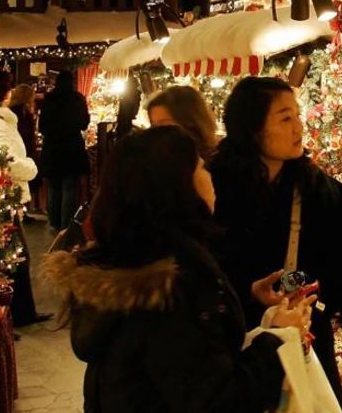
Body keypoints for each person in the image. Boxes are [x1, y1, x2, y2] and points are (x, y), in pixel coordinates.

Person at [44, 127, 314, 413]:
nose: (210, 177)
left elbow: (179, 357)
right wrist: (277, 339)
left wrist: (245, 300)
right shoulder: (172, 284)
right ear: (178, 186)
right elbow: (219, 400)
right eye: (200, 167)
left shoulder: (129, 258)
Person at [207, 76, 342, 410]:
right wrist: (247, 295)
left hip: (302, 332)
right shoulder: (216, 183)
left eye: (298, 115)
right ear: (252, 126)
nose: (298, 127)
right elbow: (205, 268)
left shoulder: (309, 182)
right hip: (240, 337)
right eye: (285, 117)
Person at [0, 67, 51, 329]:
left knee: (13, 257)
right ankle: (15, 315)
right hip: (3, 198)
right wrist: (31, 167)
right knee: (15, 258)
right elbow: (3, 161)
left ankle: (18, 314)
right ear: (6, 92)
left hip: (1, 197)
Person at [39, 69, 90, 232]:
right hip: (71, 146)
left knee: (54, 186)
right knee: (69, 186)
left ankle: (53, 222)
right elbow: (83, 123)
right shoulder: (78, 99)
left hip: (52, 146)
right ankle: (66, 225)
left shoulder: (49, 99)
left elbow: (42, 127)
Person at [146, 85, 219, 161]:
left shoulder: (218, 163)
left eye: (164, 124)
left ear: (190, 122)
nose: (156, 132)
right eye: (154, 126)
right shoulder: (158, 161)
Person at [8, 83, 43, 215]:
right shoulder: (24, 113)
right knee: (27, 178)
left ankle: (23, 210)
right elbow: (27, 134)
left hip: (17, 147)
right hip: (25, 149)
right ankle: (25, 209)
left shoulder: (11, 111)